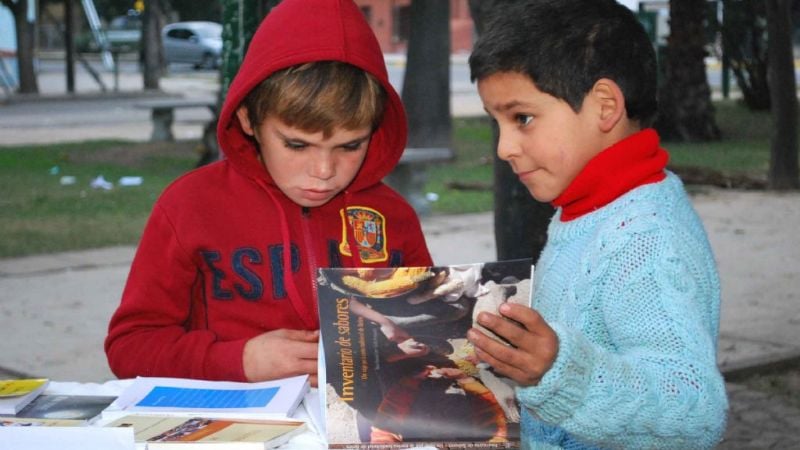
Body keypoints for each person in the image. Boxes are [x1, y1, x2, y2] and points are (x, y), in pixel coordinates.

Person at [104, 0, 433, 386]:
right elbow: (129, 348)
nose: (324, 172)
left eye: (350, 146)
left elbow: (427, 327)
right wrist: (236, 360)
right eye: (297, 145)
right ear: (248, 118)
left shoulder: (393, 217)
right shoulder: (190, 206)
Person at [465, 0, 728, 448]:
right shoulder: (589, 209)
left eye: (522, 119)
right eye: (497, 123)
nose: (506, 147)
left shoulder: (644, 238)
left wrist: (559, 371)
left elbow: (696, 410)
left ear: (605, 106)